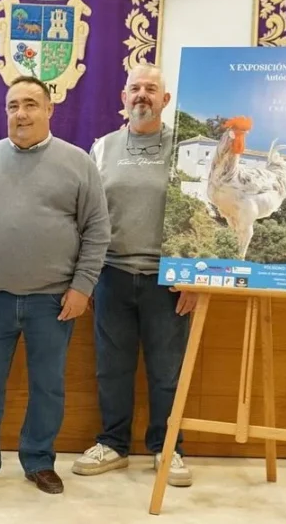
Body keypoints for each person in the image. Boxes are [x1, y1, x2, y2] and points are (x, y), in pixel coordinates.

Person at [0, 76, 110, 496]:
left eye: (30, 105)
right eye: (13, 106)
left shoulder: (78, 163)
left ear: (49, 109)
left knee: (48, 387)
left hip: (53, 301)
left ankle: (39, 460)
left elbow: (97, 230)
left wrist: (83, 287)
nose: (21, 114)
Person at [71, 64, 195, 487]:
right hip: (112, 273)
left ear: (165, 100)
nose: (142, 95)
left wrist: (196, 277)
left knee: (167, 370)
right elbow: (85, 217)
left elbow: (200, 214)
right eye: (135, 88)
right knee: (112, 367)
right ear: (123, 98)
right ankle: (113, 444)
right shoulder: (102, 148)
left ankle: (168, 448)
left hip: (170, 280)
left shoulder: (186, 149)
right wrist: (84, 278)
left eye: (151, 89)